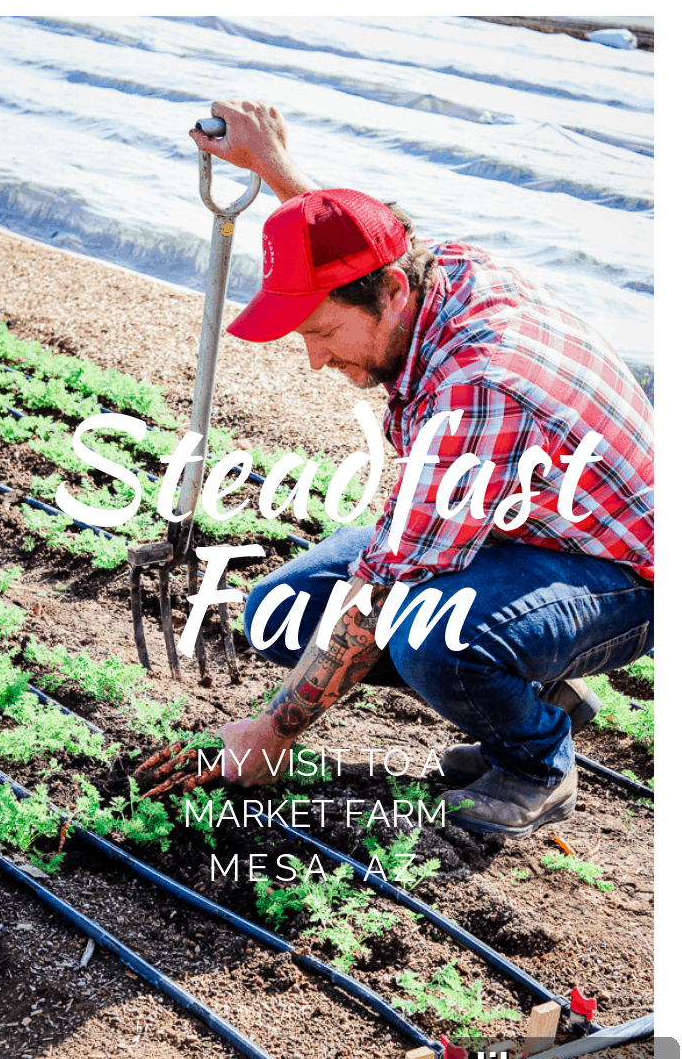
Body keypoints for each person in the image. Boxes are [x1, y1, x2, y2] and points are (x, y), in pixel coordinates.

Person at [190, 100, 654, 839]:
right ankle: (539, 696)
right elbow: (366, 241)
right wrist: (279, 172)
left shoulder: (477, 389)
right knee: (278, 611)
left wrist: (271, 735)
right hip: (528, 524)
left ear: (391, 296)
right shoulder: (435, 271)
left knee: (429, 633)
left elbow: (383, 591)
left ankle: (537, 766)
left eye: (322, 333)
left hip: (622, 572)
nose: (315, 359)